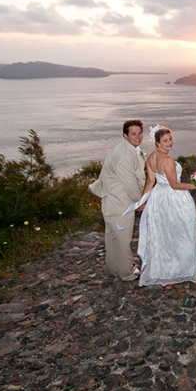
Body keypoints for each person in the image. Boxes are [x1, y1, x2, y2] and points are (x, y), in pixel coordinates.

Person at [137, 125, 196, 286]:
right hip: (173, 200)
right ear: (158, 143)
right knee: (182, 233)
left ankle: (162, 270)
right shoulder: (167, 160)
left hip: (157, 198)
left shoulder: (150, 158)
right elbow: (174, 185)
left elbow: (150, 182)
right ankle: (181, 270)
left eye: (170, 139)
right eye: (165, 141)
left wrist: (143, 201)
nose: (169, 143)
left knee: (163, 235)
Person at [89, 120, 146, 282]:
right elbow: (130, 184)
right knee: (123, 240)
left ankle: (114, 269)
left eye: (140, 133)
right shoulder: (124, 156)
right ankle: (127, 272)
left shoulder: (126, 149)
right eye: (133, 134)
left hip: (112, 202)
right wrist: (140, 202)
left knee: (113, 238)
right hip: (120, 204)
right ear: (125, 135)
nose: (138, 137)